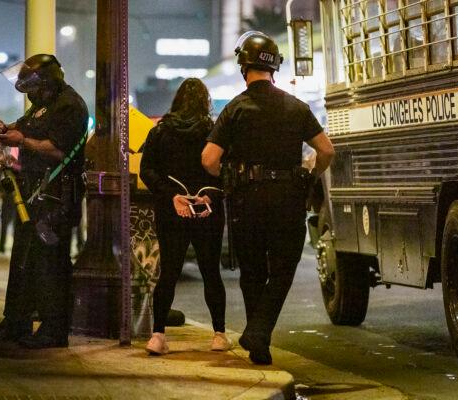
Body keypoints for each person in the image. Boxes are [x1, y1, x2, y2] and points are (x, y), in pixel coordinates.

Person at [201, 32, 335, 365]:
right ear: (275, 66)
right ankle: (259, 333)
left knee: (252, 271)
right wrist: (311, 174)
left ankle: (258, 339)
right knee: (283, 269)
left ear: (243, 67)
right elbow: (326, 150)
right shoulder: (297, 107)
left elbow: (208, 159)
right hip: (288, 197)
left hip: (246, 199)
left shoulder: (234, 110)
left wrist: (230, 176)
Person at [0, 54, 88, 349]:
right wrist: (3, 129)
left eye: (33, 87)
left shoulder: (70, 106)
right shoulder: (44, 105)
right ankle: (15, 321)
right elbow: (24, 126)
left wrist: (20, 142)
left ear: (47, 83)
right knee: (23, 260)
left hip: (58, 196)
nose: (30, 93)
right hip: (33, 193)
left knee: (50, 264)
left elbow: (59, 151)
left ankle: (53, 330)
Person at [140, 78, 231, 355]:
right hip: (207, 210)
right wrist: (209, 195)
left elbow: (147, 170)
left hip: (172, 211)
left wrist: (172, 195)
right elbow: (225, 170)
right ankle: (218, 335)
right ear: (205, 102)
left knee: (168, 272)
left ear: (177, 100)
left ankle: (157, 336)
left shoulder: (161, 132)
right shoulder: (214, 132)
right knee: (210, 271)